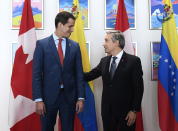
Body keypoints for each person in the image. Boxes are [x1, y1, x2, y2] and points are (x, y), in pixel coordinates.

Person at [32, 11, 85, 131]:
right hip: (47, 98)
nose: (72, 30)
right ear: (60, 25)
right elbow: (36, 74)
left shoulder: (75, 46)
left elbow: (79, 74)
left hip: (69, 97)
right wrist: (38, 99)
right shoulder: (42, 44)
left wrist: (81, 98)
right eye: (70, 26)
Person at [84, 31, 144, 131]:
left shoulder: (133, 61)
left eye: (106, 41)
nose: (104, 44)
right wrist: (71, 72)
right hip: (107, 111)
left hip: (126, 112)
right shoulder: (104, 61)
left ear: (116, 42)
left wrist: (134, 110)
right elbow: (90, 75)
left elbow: (139, 88)